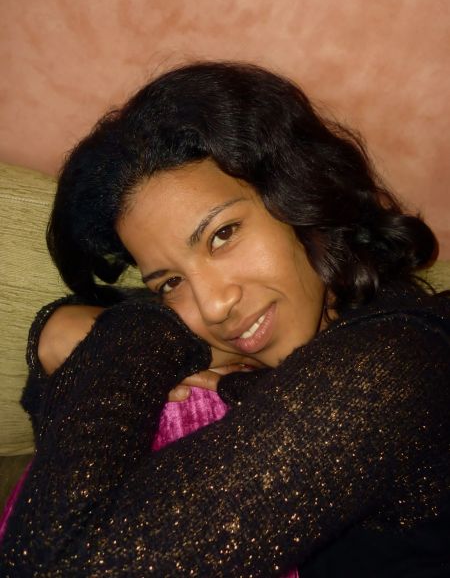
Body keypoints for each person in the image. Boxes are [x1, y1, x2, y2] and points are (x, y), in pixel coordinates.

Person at [1, 61, 449, 577]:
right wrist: (63, 324)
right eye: (170, 283)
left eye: (223, 234)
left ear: (298, 196)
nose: (214, 307)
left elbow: (52, 565)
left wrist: (138, 334)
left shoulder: (392, 365)